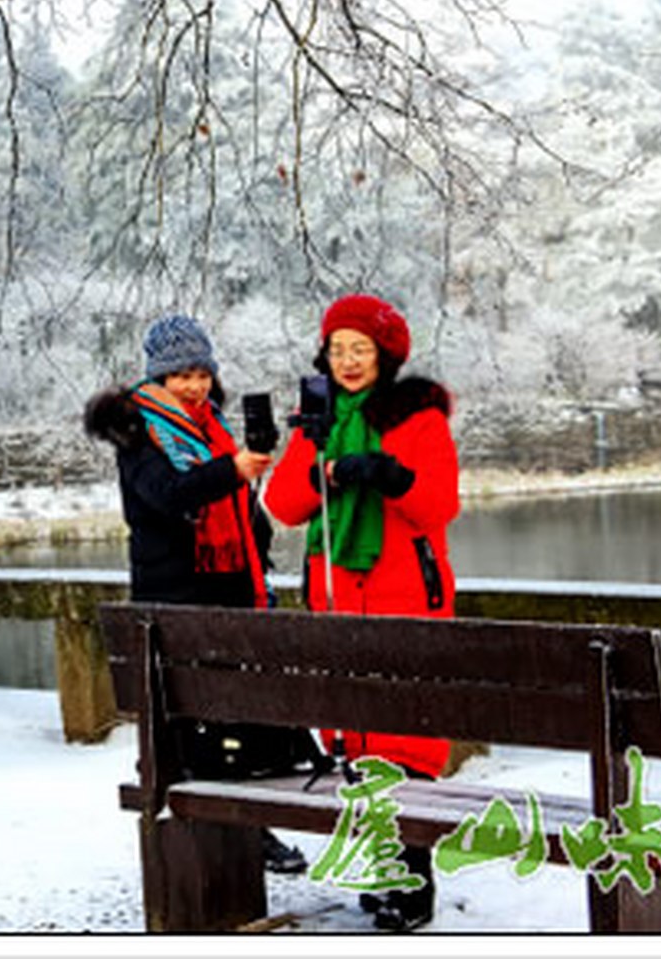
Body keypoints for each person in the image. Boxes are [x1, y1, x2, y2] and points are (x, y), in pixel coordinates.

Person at [260, 293, 460, 932]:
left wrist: (389, 476)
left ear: (385, 356)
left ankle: (414, 881)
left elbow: (437, 506)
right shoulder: (316, 419)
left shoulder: (419, 418)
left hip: (404, 592)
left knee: (402, 736)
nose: (347, 361)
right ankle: (383, 869)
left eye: (360, 350)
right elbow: (285, 505)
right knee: (356, 739)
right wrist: (329, 468)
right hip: (337, 593)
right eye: (338, 349)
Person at [83, 313, 307, 875]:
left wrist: (251, 523)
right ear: (156, 378)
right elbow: (167, 496)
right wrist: (231, 472)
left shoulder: (209, 427)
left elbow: (229, 507)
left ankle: (250, 826)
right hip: (173, 597)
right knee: (192, 723)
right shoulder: (138, 432)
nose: (194, 385)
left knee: (234, 714)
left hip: (229, 592)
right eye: (180, 375)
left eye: (201, 373)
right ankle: (218, 835)